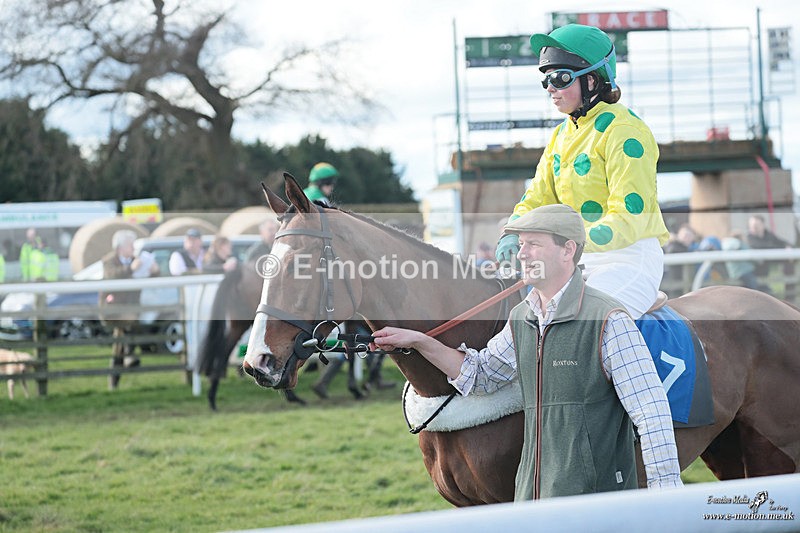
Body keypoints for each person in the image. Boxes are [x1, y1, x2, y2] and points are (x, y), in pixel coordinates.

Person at [372, 205, 682, 499]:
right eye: (520, 244)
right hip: (531, 498)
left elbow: (651, 410)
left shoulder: (608, 320)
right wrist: (419, 341)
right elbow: (480, 375)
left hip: (595, 502)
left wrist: (664, 492)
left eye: (533, 244)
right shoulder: (522, 318)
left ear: (568, 250)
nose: (521, 253)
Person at [494, 24, 670, 320]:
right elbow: (537, 198)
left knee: (579, 322)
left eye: (560, 78)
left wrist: (566, 246)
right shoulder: (560, 135)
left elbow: (629, 216)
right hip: (572, 261)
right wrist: (513, 233)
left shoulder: (626, 131)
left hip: (626, 260)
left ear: (592, 80)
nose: (550, 87)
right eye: (546, 79)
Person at [100, 229, 160, 390]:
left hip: (131, 310)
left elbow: (146, 277)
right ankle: (129, 354)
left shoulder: (136, 259)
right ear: (121, 247)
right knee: (128, 325)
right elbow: (112, 276)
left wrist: (155, 271)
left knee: (120, 339)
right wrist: (131, 269)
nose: (134, 249)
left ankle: (116, 376)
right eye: (131, 246)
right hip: (113, 309)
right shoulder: (109, 261)